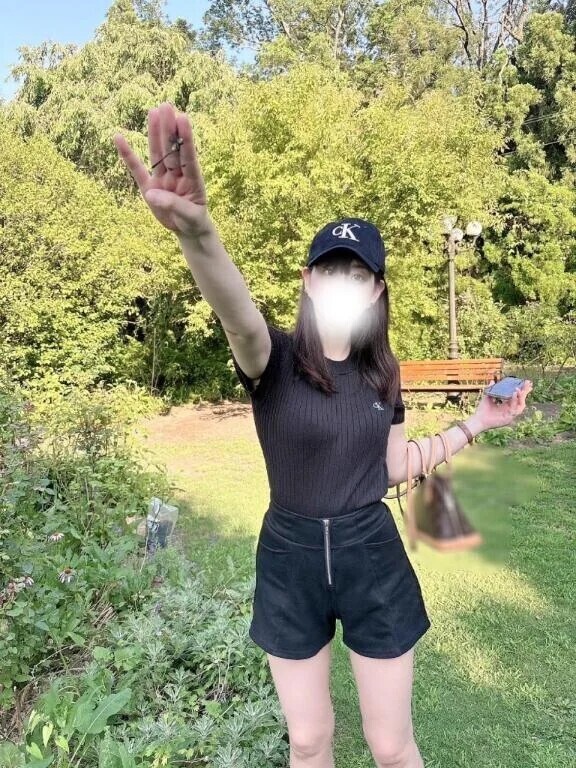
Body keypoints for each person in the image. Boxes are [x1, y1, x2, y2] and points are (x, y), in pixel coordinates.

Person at [114, 102, 533, 768]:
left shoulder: (383, 374)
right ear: (309, 282)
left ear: (375, 290)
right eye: (330, 270)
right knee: (308, 742)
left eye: (357, 273)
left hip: (372, 554)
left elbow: (392, 466)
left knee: (391, 746)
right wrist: (199, 234)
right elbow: (236, 315)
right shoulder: (271, 359)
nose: (342, 282)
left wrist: (478, 422)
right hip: (290, 557)